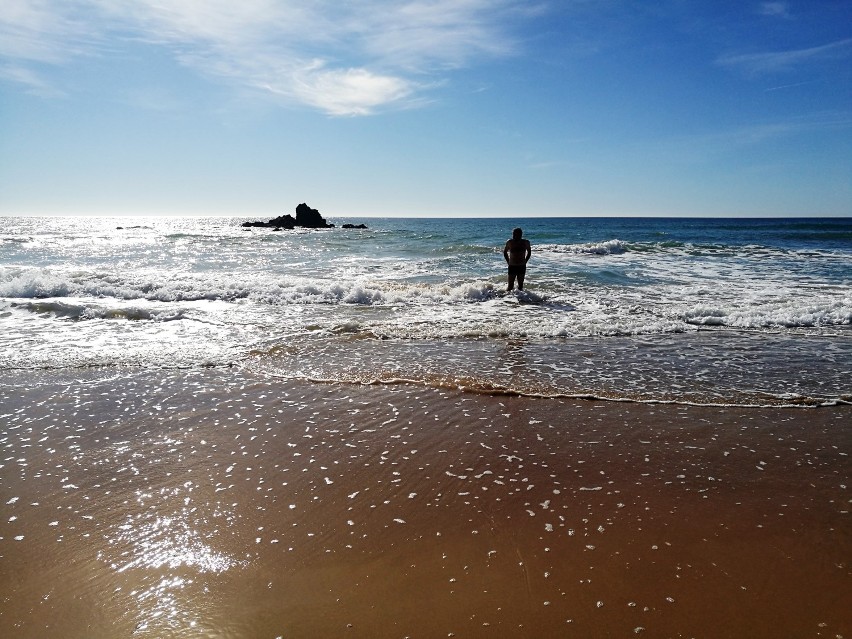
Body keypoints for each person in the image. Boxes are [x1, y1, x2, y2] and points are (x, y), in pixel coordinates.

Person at [503, 227, 531, 291]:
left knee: (520, 286)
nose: (515, 236)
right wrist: (508, 262)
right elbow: (505, 252)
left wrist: (525, 261)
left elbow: (529, 252)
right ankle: (507, 299)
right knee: (510, 286)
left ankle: (521, 299)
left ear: (521, 235)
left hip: (521, 266)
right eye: (513, 234)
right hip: (512, 265)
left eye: (516, 234)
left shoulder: (525, 242)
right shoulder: (510, 242)